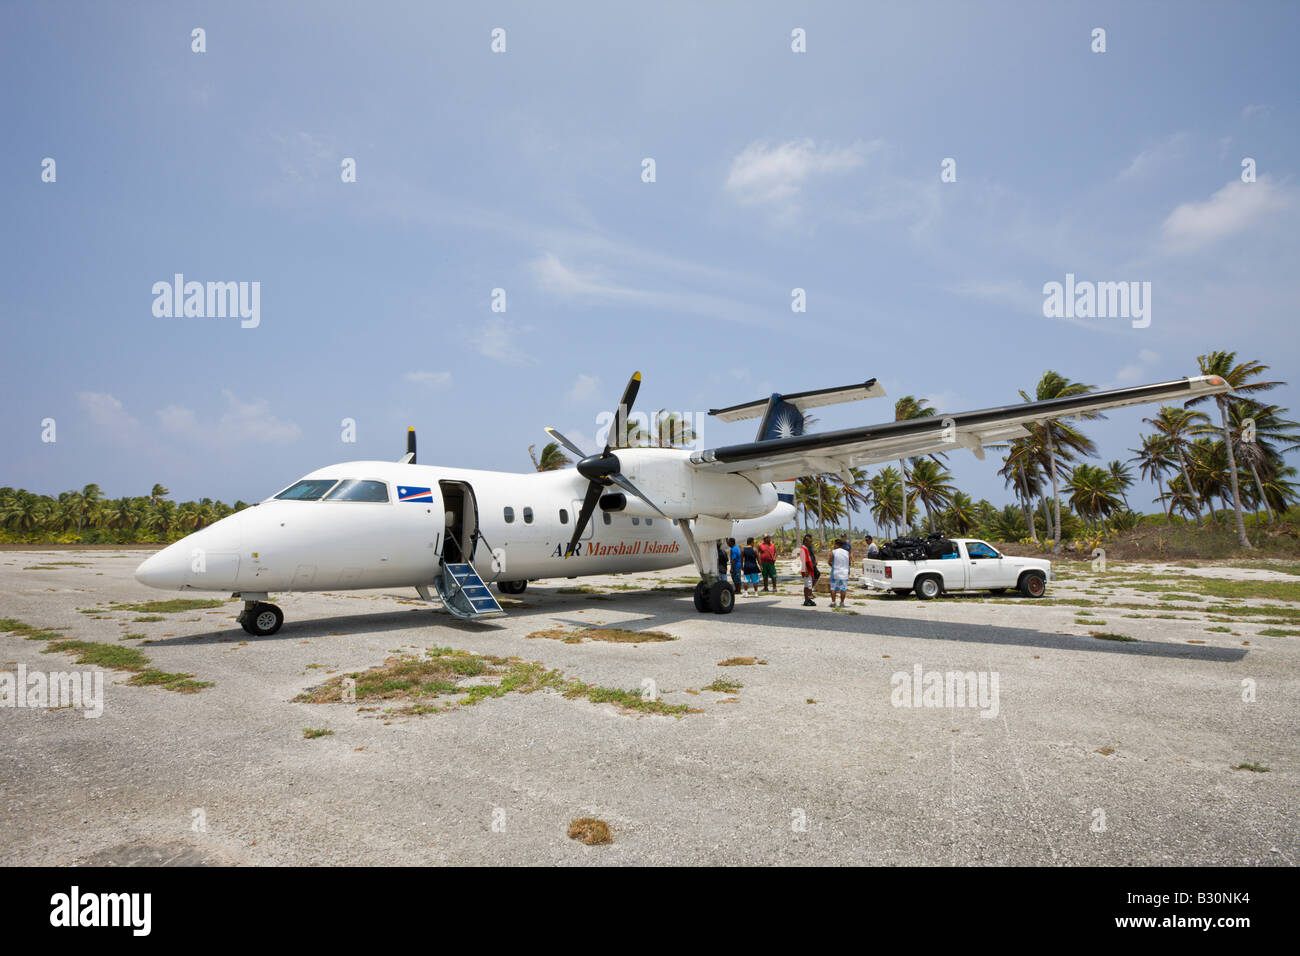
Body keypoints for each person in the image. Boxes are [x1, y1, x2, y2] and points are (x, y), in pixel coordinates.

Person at [830, 537, 851, 608]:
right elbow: (849, 562)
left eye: (834, 544)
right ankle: (842, 603)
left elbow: (829, 561)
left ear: (836, 544)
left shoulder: (833, 552)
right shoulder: (847, 552)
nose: (833, 546)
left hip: (835, 572)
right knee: (843, 588)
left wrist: (832, 566)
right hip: (844, 572)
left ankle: (833, 602)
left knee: (833, 588)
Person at [799, 534, 817, 606]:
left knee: (809, 586)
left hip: (809, 570)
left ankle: (808, 599)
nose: (810, 543)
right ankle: (807, 600)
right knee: (807, 586)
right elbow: (803, 560)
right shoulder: (803, 549)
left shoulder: (806, 548)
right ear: (805, 541)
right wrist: (806, 570)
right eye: (810, 541)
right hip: (807, 570)